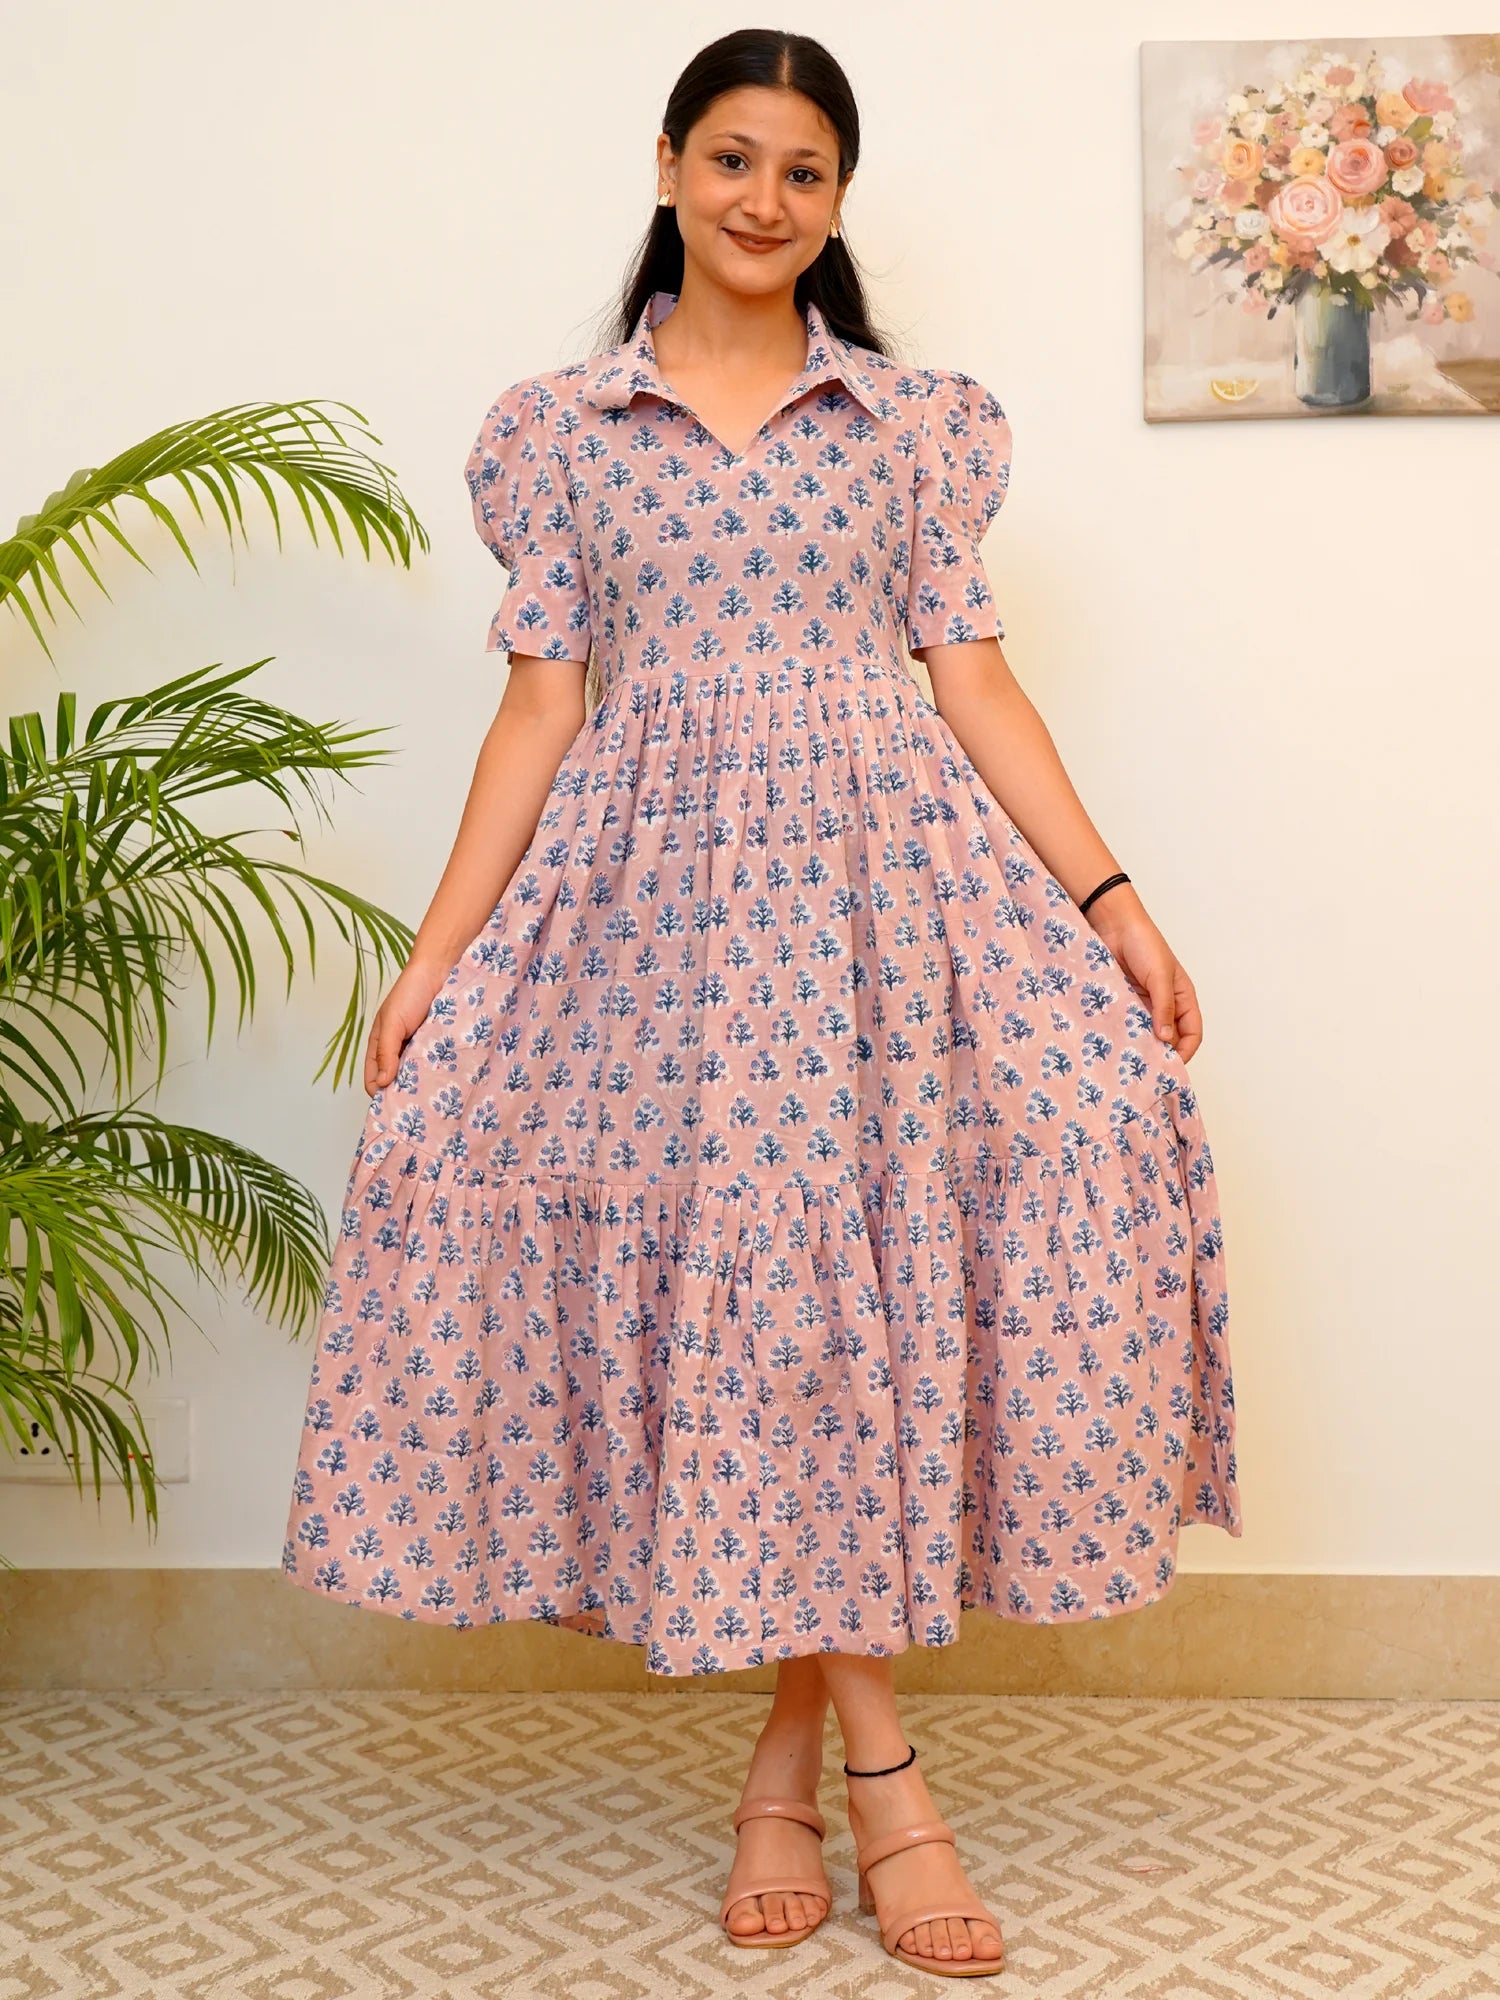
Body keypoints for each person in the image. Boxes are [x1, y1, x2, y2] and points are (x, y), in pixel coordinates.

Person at [281, 25, 1242, 1978]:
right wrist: (438, 953)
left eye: (803, 171)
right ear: (667, 164)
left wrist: (1116, 901)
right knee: (773, 1302)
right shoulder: (561, 431)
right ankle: (883, 1781)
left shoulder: (914, 424)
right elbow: (539, 711)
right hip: (653, 928)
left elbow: (972, 678)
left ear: (836, 199)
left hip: (886, 912)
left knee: (867, 1281)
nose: (763, 198)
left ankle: (795, 1775)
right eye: (732, 158)